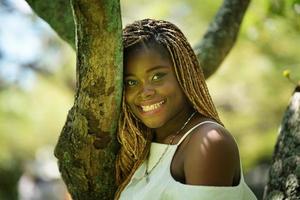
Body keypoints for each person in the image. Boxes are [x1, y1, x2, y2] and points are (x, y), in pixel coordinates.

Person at [114, 19, 257, 200]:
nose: (145, 92)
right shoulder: (137, 144)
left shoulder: (208, 142)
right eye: (132, 82)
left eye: (157, 76)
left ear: (184, 74)